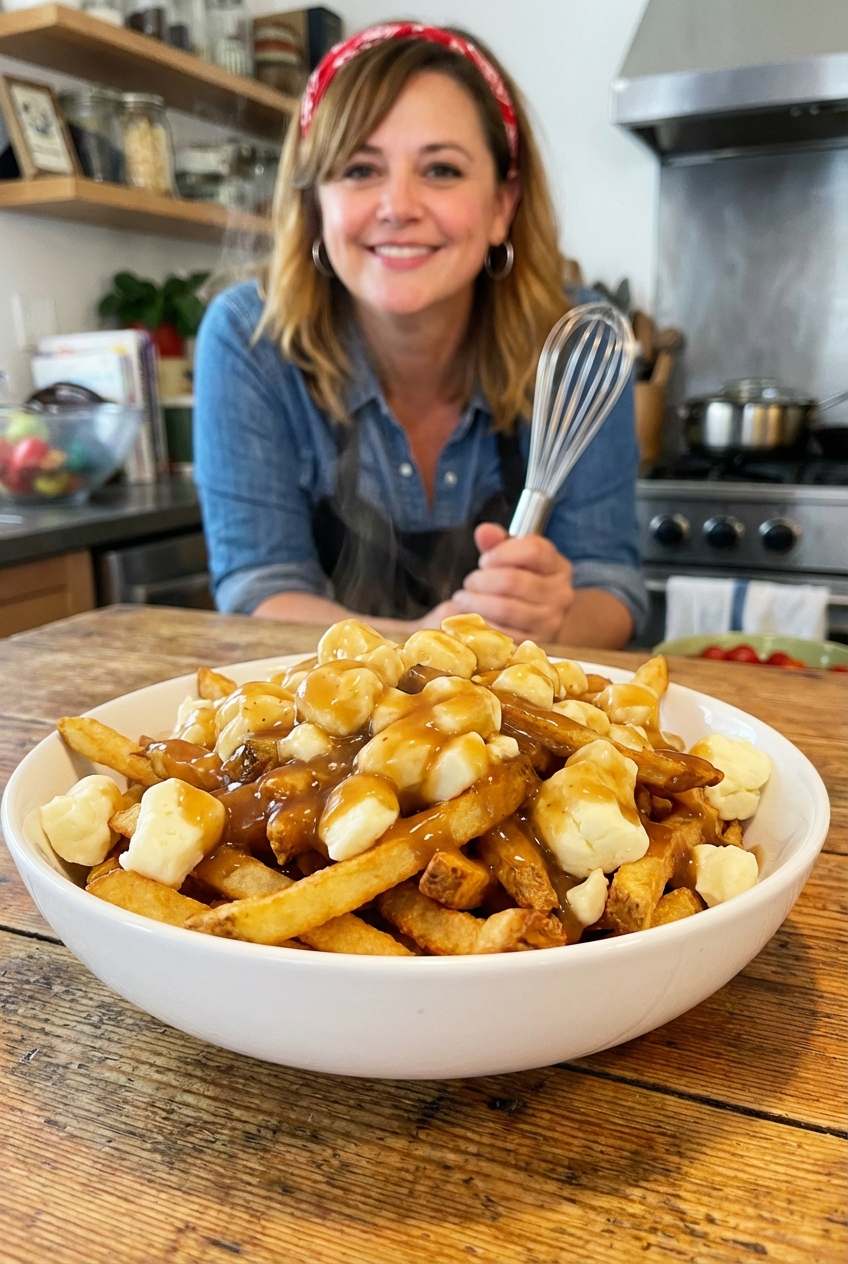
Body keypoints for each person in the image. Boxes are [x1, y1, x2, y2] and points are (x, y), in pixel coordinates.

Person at [194, 22, 646, 648]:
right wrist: (423, 649)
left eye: (440, 169)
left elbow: (610, 585)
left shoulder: (575, 350)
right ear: (314, 206)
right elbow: (259, 590)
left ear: (501, 205)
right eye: (358, 169)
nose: (397, 205)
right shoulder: (249, 339)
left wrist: (553, 618)